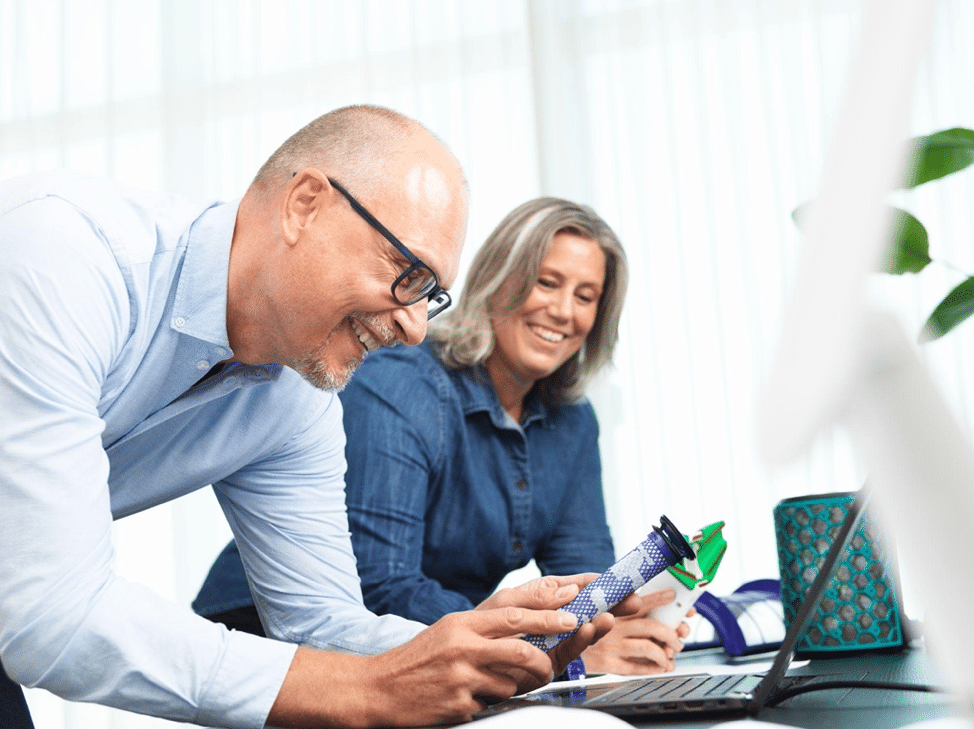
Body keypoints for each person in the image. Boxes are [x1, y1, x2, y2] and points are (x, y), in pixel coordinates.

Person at [0, 106, 634, 729]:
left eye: (430, 294)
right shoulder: (64, 255)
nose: (417, 330)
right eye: (405, 273)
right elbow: (52, 614)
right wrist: (366, 690)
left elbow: (320, 625)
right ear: (305, 204)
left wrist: (476, 650)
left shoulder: (299, 398)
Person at [194, 197, 691, 677]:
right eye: (546, 283)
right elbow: (381, 586)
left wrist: (617, 628)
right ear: (497, 283)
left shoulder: (573, 421)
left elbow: (585, 582)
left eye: (585, 296)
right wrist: (565, 652)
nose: (563, 311)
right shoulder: (402, 383)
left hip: (425, 649)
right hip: (271, 643)